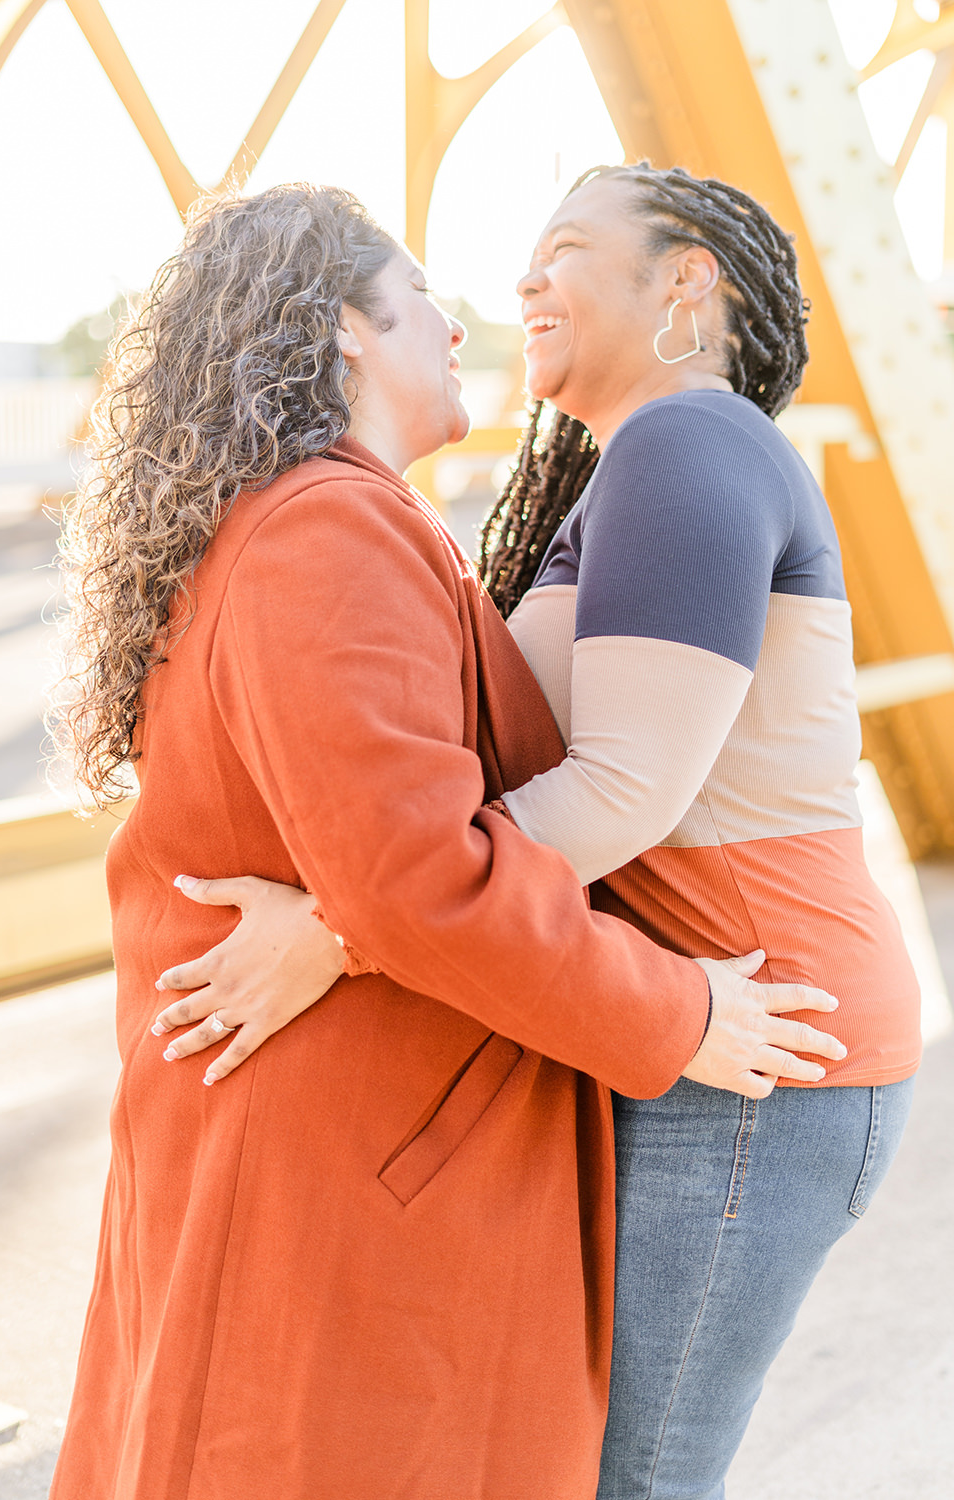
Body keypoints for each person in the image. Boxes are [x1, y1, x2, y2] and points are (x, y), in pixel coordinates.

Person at [47, 182, 840, 1500]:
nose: (462, 324)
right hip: (351, 1167)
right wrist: (676, 1011)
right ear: (350, 331)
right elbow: (418, 880)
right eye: (422, 299)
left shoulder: (291, 522)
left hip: (320, 1142)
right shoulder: (328, 529)